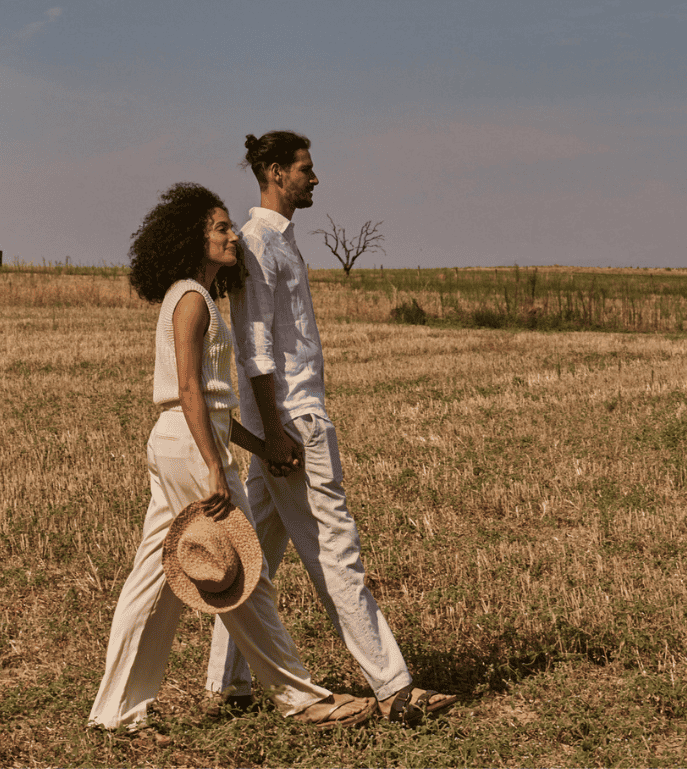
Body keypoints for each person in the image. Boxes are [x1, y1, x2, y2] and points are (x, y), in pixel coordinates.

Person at [88, 182, 376, 733]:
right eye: (220, 228)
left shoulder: (196, 295)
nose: (232, 237)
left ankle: (115, 714)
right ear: (193, 238)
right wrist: (214, 468)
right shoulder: (191, 299)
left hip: (189, 439)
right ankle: (300, 699)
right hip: (190, 445)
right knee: (243, 573)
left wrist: (260, 447)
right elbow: (189, 389)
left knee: (152, 581)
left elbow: (214, 404)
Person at [205, 132, 458, 725]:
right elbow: (255, 349)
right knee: (336, 551)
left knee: (253, 556)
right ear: (275, 172)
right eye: (305, 169)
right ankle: (394, 688)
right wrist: (276, 432)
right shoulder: (258, 244)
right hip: (294, 423)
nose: (315, 179)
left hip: (288, 421)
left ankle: (227, 683)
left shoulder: (279, 241)